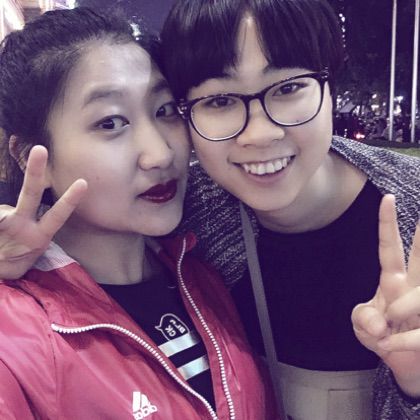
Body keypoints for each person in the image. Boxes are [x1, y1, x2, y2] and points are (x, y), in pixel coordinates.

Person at [0, 7, 276, 419]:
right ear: (28, 156)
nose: (160, 154)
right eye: (111, 123)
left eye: (164, 110)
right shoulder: (17, 335)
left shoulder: (201, 278)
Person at [160, 0, 420, 419]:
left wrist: (414, 385)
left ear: (329, 86)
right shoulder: (182, 225)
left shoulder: (413, 203)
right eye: (220, 100)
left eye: (287, 88)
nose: (260, 134)